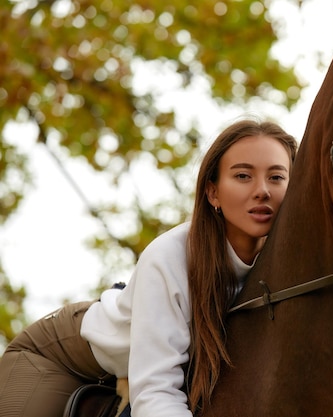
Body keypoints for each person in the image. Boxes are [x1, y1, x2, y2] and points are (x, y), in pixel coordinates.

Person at [0, 118, 298, 417]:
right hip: (61, 355)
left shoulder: (288, 265)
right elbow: (155, 392)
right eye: (243, 175)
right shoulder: (170, 256)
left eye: (276, 177)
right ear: (213, 193)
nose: (262, 191)